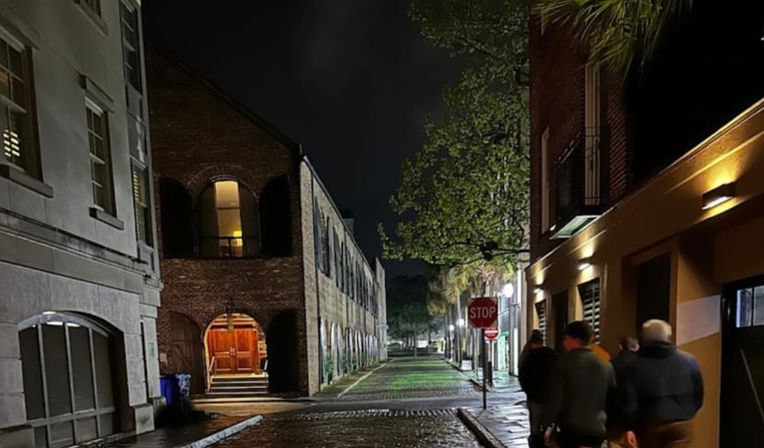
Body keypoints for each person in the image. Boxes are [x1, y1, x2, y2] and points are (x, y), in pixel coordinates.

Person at [622, 320, 703, 448]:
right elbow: (698, 396)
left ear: (644, 338)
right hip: (681, 424)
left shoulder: (634, 365)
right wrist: (687, 412)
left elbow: (630, 400)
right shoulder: (689, 361)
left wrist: (629, 427)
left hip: (649, 425)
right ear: (668, 336)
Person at [542, 321, 616, 448]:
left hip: (570, 431)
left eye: (566, 339)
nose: (564, 343)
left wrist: (548, 425)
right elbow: (612, 400)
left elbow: (556, 399)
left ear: (575, 339)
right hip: (596, 430)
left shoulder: (562, 364)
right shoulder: (606, 365)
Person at [519, 329, 557, 448]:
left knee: (535, 426)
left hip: (534, 397)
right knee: (548, 425)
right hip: (549, 397)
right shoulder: (551, 354)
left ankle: (536, 445)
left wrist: (528, 391)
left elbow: (523, 376)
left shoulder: (528, 356)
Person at [608, 336, 640, 446]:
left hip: (614, 421)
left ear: (620, 347)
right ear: (637, 347)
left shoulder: (610, 365)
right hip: (638, 421)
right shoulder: (643, 364)